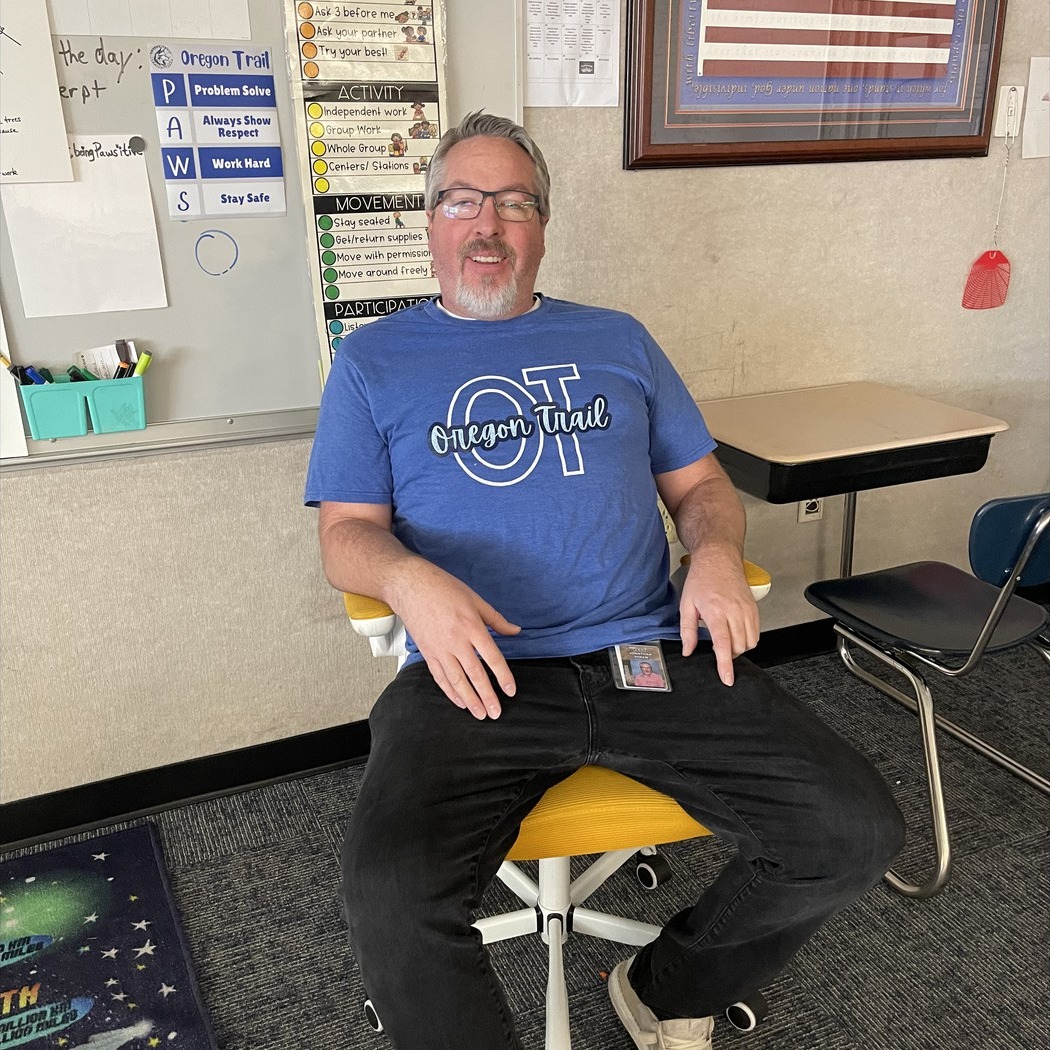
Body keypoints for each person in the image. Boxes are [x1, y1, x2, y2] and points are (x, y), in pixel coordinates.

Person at [304, 111, 904, 1050]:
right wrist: (409, 580)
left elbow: (703, 488)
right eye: (462, 201)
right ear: (431, 222)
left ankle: (662, 986)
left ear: (543, 226)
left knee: (855, 830)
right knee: (388, 891)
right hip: (479, 672)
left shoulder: (617, 339)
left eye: (514, 203)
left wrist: (713, 554)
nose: (487, 225)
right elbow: (346, 536)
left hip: (649, 652)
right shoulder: (372, 362)